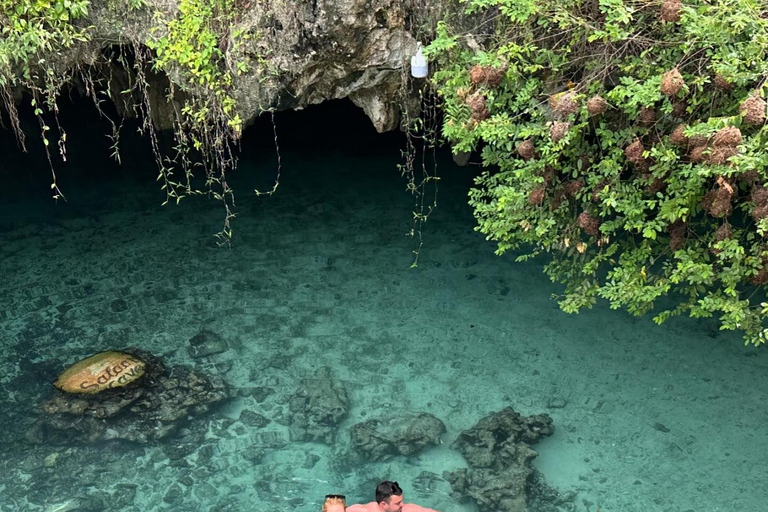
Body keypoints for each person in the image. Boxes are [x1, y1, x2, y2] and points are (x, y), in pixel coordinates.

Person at [346, 481, 439, 512]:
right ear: (383, 504)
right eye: (398, 503)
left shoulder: (407, 509)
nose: (402, 505)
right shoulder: (363, 511)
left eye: (402, 501)